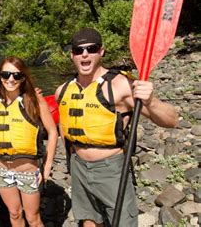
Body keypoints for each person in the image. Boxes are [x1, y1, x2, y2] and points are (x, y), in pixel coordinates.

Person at [55, 28, 179, 227]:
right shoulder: (63, 90)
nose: (85, 54)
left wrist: (151, 101)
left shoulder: (120, 84)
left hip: (111, 168)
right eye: (79, 50)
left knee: (122, 223)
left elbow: (171, 120)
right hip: (77, 166)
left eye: (91, 49)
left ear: (101, 51)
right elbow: (61, 126)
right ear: (72, 55)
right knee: (87, 221)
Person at [0, 57, 58, 227]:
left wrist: (47, 167)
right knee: (14, 214)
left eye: (16, 75)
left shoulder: (34, 101)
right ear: (0, 77)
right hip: (2, 170)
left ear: (23, 78)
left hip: (27, 171)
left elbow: (53, 132)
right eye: (6, 74)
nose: (11, 79)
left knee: (33, 219)